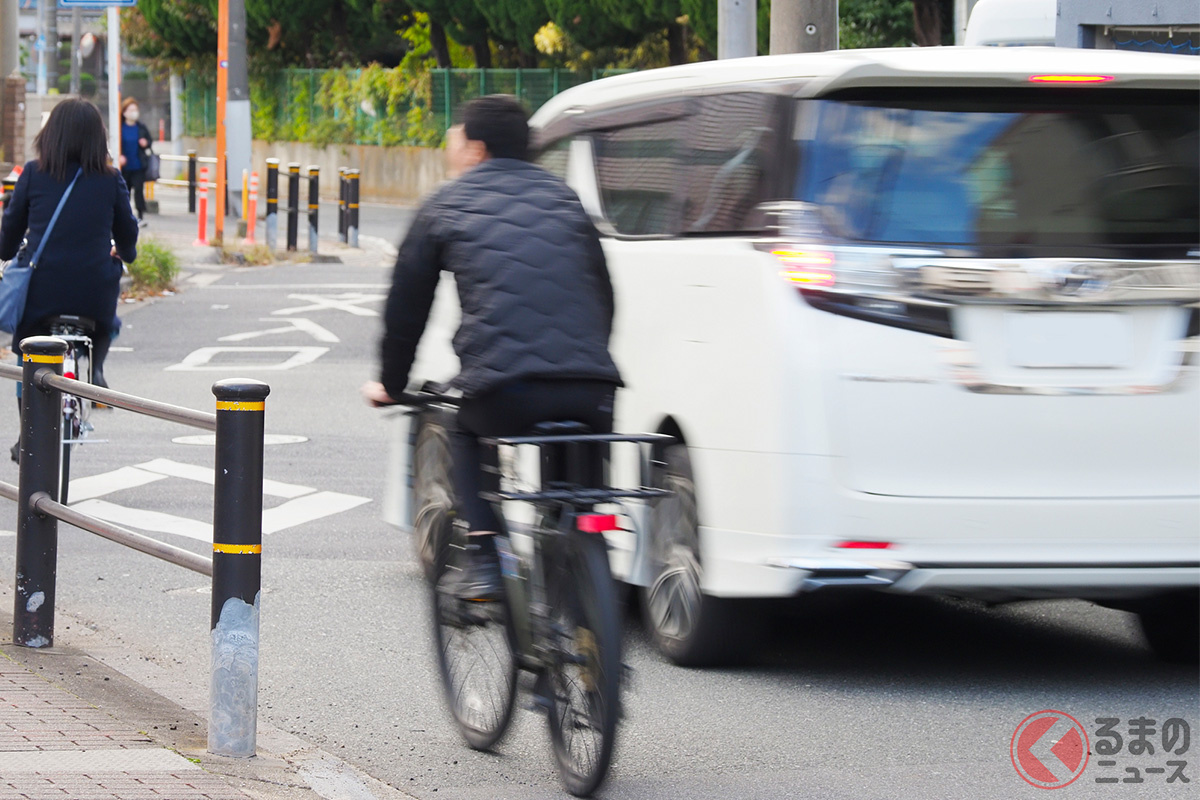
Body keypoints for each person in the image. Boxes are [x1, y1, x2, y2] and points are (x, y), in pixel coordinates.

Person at [362, 95, 621, 599]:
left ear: (475, 149)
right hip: (593, 390)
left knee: (461, 426)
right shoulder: (566, 199)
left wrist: (392, 385)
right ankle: (587, 609)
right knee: (580, 494)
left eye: (455, 137)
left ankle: (482, 554)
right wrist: (587, 360)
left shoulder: (447, 202)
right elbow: (603, 293)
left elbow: (405, 309)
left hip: (505, 389)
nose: (451, 147)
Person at [0, 98, 139, 459]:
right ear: (98, 138)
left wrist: (10, 249)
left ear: (51, 134)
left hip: (41, 290)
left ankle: (27, 435)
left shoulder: (32, 173)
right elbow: (127, 231)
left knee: (26, 351)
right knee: (108, 325)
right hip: (92, 291)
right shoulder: (111, 179)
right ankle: (95, 371)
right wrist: (125, 253)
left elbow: (8, 238)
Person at [118, 97, 153, 226]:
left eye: (135, 110)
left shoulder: (141, 127)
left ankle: (140, 216)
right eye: (131, 110)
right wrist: (119, 156)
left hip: (139, 166)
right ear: (124, 112)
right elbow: (115, 144)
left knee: (139, 191)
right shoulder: (119, 128)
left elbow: (149, 142)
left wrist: (145, 143)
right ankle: (126, 217)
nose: (134, 112)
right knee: (124, 193)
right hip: (124, 167)